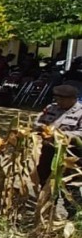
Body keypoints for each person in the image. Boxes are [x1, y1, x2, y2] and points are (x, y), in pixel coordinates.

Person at [35, 84, 82, 218]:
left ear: (73, 99)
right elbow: (37, 122)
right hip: (49, 150)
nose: (58, 102)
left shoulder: (80, 112)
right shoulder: (51, 108)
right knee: (44, 178)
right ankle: (48, 210)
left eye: (62, 99)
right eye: (57, 99)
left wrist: (63, 135)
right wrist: (44, 129)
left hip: (71, 154)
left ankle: (75, 214)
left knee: (68, 184)